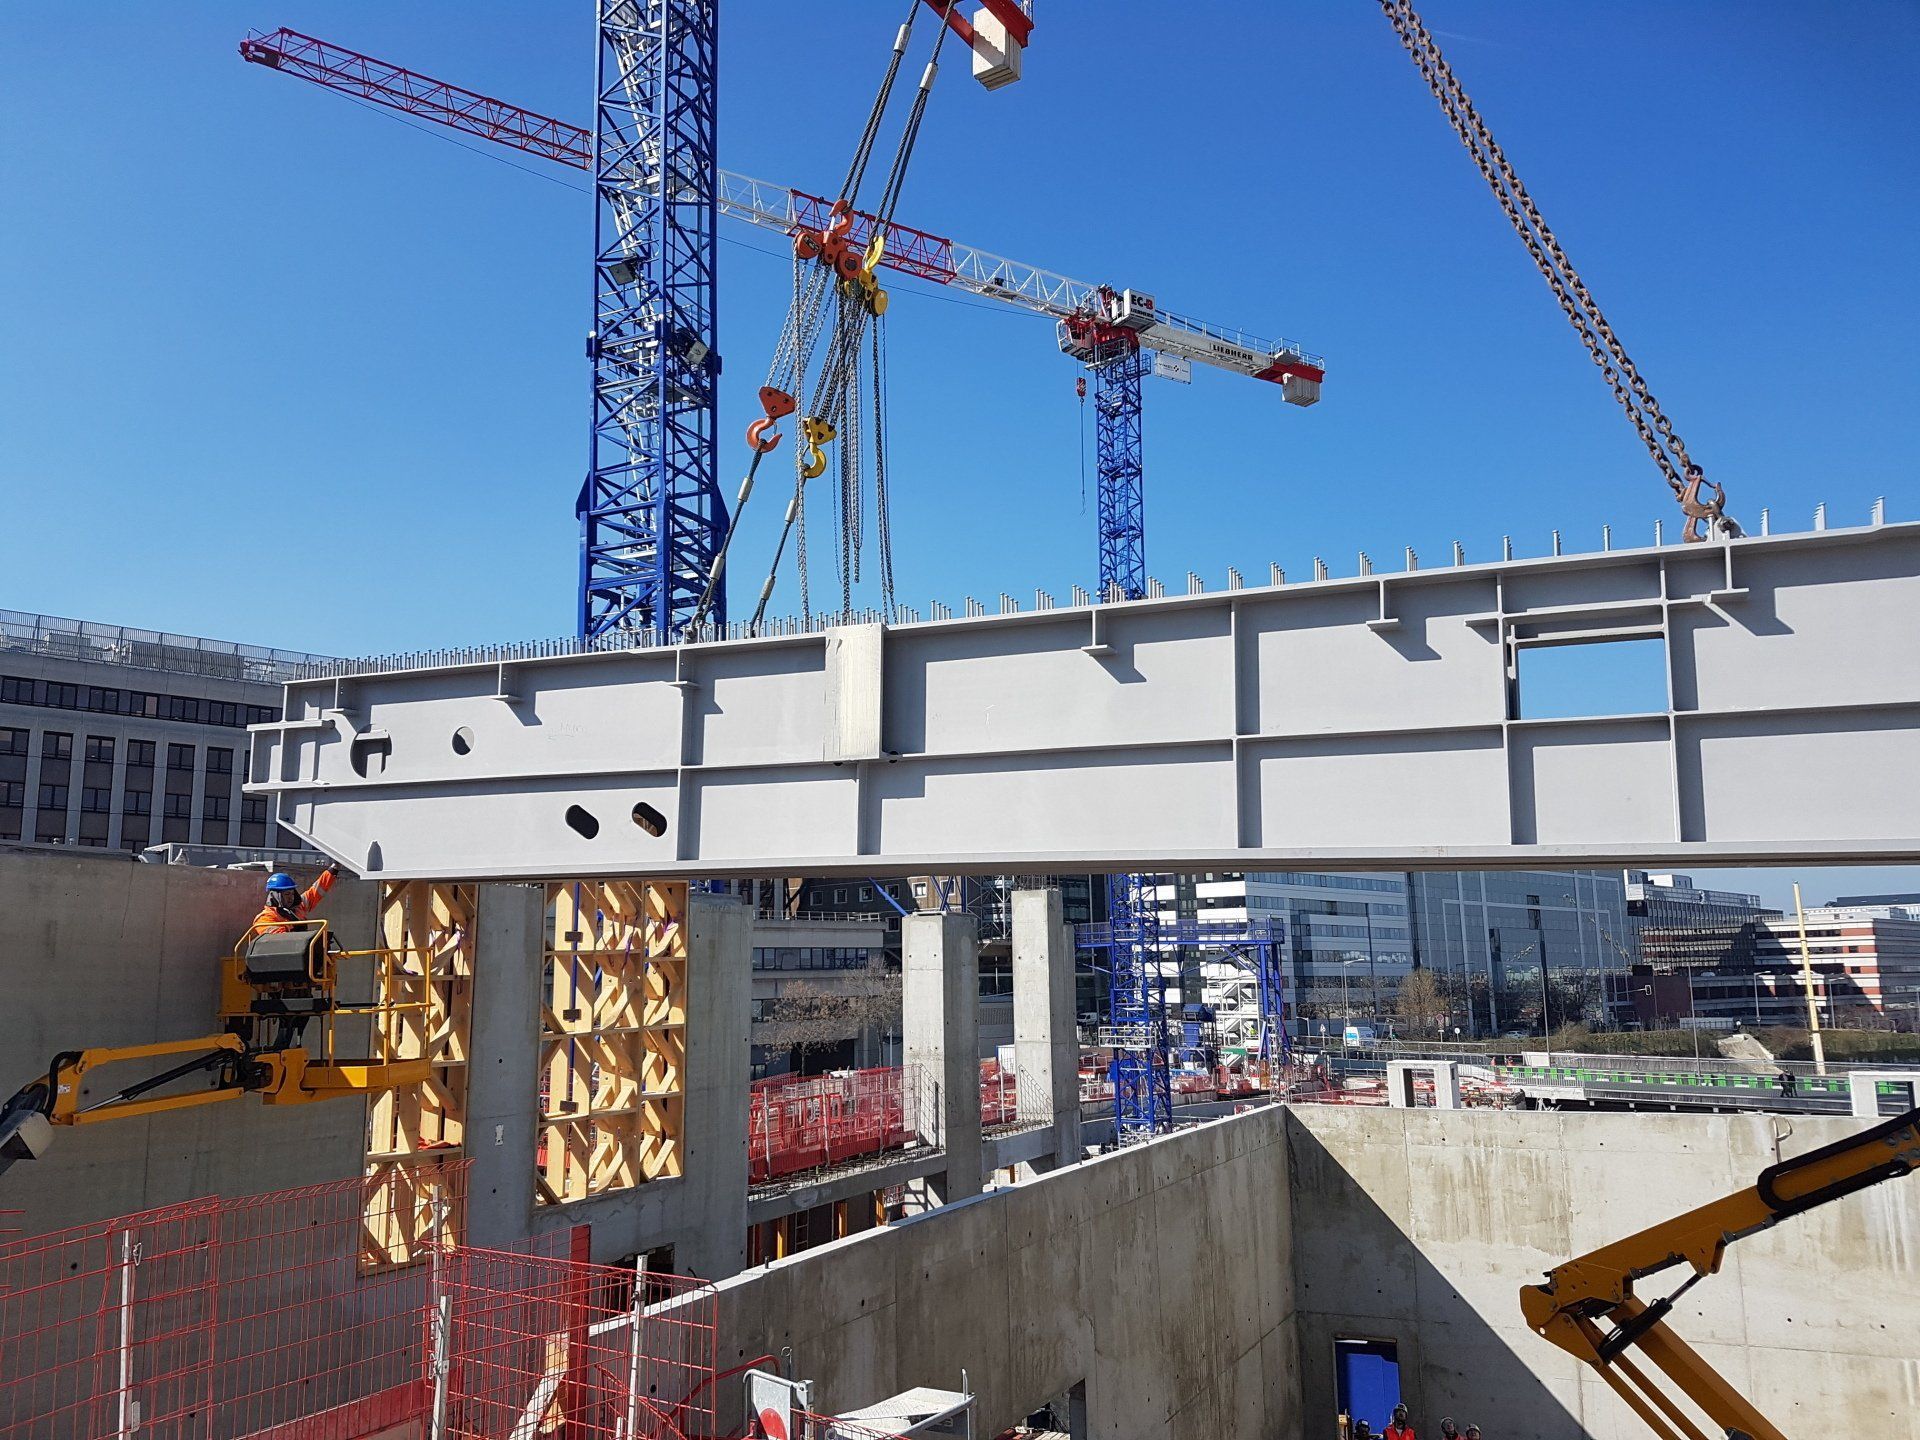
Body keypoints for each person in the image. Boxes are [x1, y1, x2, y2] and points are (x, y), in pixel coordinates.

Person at [252, 864, 341, 935]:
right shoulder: (264, 919)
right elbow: (278, 941)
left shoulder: (298, 908)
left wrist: (334, 868)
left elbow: (317, 890)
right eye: (287, 894)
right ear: (275, 896)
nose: (291, 897)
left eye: (292, 893)